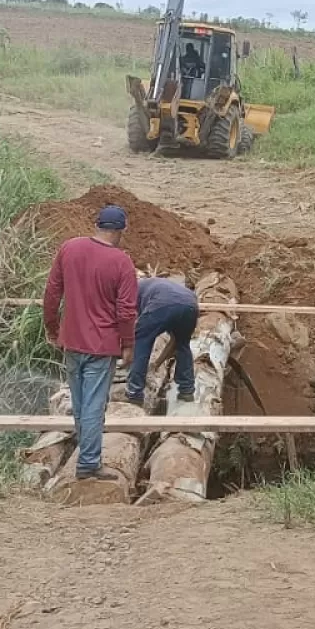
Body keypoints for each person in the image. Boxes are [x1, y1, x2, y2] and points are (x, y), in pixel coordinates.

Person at [43, 206, 138, 481]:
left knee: (82, 402)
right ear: (120, 230)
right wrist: (128, 344)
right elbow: (127, 311)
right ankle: (88, 464)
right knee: (95, 405)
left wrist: (52, 328)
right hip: (102, 346)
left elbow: (51, 293)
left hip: (71, 341)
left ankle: (86, 456)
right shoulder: (121, 263)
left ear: (97, 224)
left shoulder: (69, 248)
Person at [126, 275, 198, 406]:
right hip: (190, 303)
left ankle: (134, 393)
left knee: (141, 341)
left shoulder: (130, 291)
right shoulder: (151, 285)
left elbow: (130, 326)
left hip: (163, 302)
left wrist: (127, 353)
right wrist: (156, 364)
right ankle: (186, 390)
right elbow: (175, 343)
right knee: (183, 344)